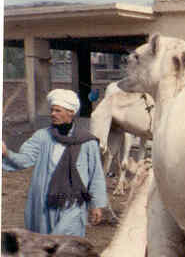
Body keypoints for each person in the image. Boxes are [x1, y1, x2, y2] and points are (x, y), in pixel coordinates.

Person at [2, 88, 108, 236]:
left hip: (73, 202)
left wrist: (97, 205)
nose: (53, 114)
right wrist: (7, 153)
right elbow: (24, 160)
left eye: (58, 110)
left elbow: (95, 174)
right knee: (45, 246)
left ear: (71, 112)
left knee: (65, 242)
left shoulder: (87, 142)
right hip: (45, 201)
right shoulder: (42, 136)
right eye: (52, 110)